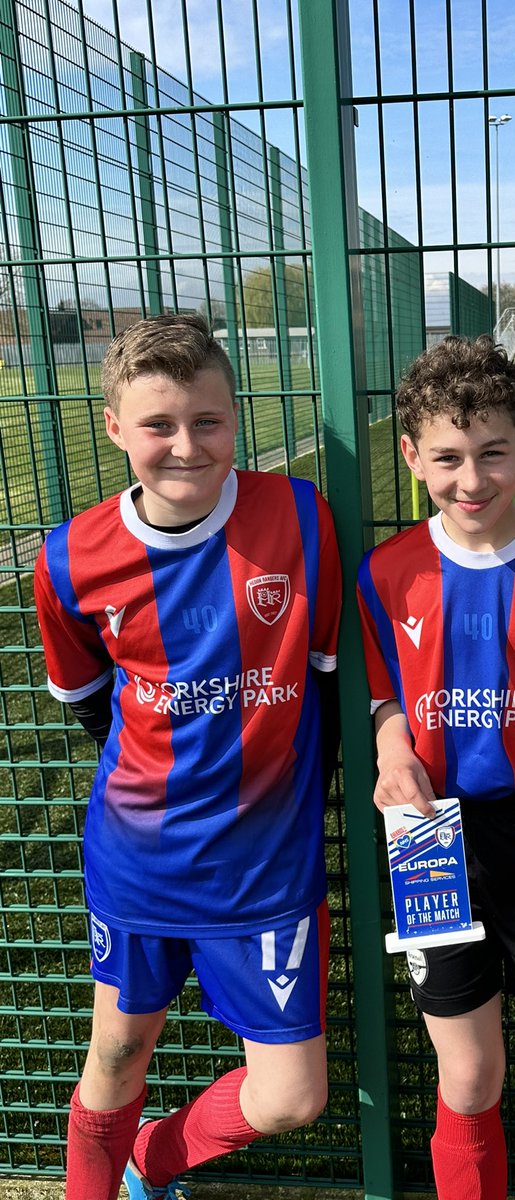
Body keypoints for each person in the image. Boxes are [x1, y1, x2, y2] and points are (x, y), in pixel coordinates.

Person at [33, 314, 342, 1200]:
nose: (184, 445)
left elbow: (321, 680)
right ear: (115, 428)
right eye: (158, 425)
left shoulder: (299, 519)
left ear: (236, 419)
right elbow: (92, 703)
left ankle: (151, 1160)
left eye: (206, 421)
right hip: (141, 860)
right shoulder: (71, 560)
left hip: (266, 871)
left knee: (291, 1097)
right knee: (117, 1052)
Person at [357, 334, 515, 1200]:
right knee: (467, 1075)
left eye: (492, 453)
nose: (471, 480)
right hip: (428, 837)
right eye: (447, 458)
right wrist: (394, 746)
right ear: (411, 456)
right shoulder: (387, 575)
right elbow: (384, 697)